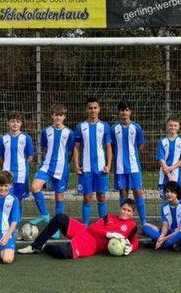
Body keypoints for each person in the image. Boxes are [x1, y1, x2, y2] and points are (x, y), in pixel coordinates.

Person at [16, 199, 141, 259]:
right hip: (86, 231)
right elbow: (92, 228)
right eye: (124, 209)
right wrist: (108, 234)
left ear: (132, 214)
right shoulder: (109, 217)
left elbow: (134, 241)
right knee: (60, 218)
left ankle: (45, 248)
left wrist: (131, 248)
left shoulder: (132, 226)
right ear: (120, 208)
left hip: (92, 244)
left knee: (63, 253)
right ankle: (36, 246)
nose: (125, 212)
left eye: (129, 211)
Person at [29, 104, 75, 227]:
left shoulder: (69, 133)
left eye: (60, 115)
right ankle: (45, 215)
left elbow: (71, 150)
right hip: (47, 166)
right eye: (56, 115)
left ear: (64, 117)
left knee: (59, 198)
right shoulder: (46, 131)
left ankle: (56, 227)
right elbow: (45, 147)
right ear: (52, 116)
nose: (58, 117)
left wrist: (66, 164)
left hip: (61, 168)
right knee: (35, 187)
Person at [72, 97, 112, 225]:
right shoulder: (80, 126)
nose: (93, 110)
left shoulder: (104, 126)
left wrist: (109, 165)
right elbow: (76, 147)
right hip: (86, 168)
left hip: (101, 168)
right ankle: (85, 226)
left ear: (99, 109)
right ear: (86, 110)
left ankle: (104, 224)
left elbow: (108, 147)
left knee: (101, 196)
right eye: (90, 108)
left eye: (95, 108)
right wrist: (76, 165)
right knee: (87, 197)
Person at [111, 101, 147, 223]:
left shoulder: (137, 127)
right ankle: (123, 221)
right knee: (123, 193)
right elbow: (112, 147)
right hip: (120, 167)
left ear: (130, 112)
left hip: (134, 166)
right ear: (119, 112)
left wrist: (133, 155)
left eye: (126, 110)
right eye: (122, 110)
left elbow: (140, 145)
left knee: (137, 192)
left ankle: (143, 221)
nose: (124, 112)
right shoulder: (114, 129)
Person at [141, 181, 181, 251]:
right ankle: (173, 244)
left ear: (177, 193)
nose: (169, 194)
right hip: (170, 231)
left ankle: (158, 244)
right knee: (145, 227)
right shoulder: (164, 207)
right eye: (167, 191)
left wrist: (165, 238)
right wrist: (162, 236)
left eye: (172, 192)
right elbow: (165, 226)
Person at [0, 112, 35, 202]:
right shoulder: (3, 138)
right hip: (7, 173)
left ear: (21, 123)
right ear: (8, 123)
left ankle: (17, 212)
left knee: (18, 199)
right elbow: (0, 156)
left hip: (22, 173)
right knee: (6, 198)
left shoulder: (26, 138)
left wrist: (22, 165)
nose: (15, 124)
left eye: (18, 122)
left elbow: (30, 157)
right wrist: (6, 166)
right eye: (12, 121)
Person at [156, 117, 181, 197]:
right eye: (170, 125)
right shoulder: (162, 141)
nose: (173, 127)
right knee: (165, 197)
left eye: (175, 125)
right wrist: (169, 174)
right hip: (164, 174)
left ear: (179, 127)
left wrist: (170, 168)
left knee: (178, 197)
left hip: (178, 173)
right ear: (166, 126)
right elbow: (160, 159)